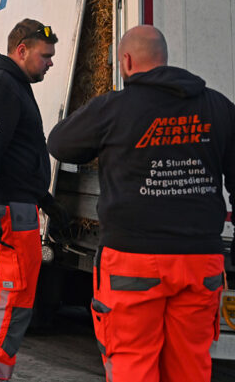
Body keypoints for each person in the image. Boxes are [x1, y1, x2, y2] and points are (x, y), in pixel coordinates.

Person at [47, 25, 234, 382]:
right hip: (200, 262)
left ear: (127, 61)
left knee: (132, 364)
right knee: (191, 368)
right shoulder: (217, 105)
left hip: (133, 262)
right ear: (164, 59)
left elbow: (60, 143)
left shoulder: (114, 108)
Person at [0, 18, 67, 382]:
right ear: (22, 50)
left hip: (7, 206)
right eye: (45, 55)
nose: (50, 62)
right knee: (14, 296)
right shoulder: (3, 85)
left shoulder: (10, 84)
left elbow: (15, 156)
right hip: (7, 213)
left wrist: (45, 199)